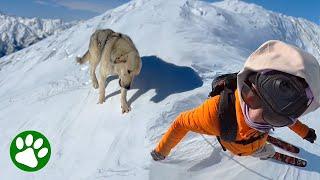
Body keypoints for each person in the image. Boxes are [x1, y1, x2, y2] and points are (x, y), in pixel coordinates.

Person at [151, 40, 320, 161]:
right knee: (264, 149)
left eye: (275, 117)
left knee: (267, 125)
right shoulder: (214, 113)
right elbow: (181, 122)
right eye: (252, 96)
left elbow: (289, 119)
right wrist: (161, 150)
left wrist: (304, 131)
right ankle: (263, 151)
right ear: (245, 82)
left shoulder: (280, 110)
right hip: (239, 148)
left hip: (250, 141)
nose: (254, 116)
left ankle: (261, 148)